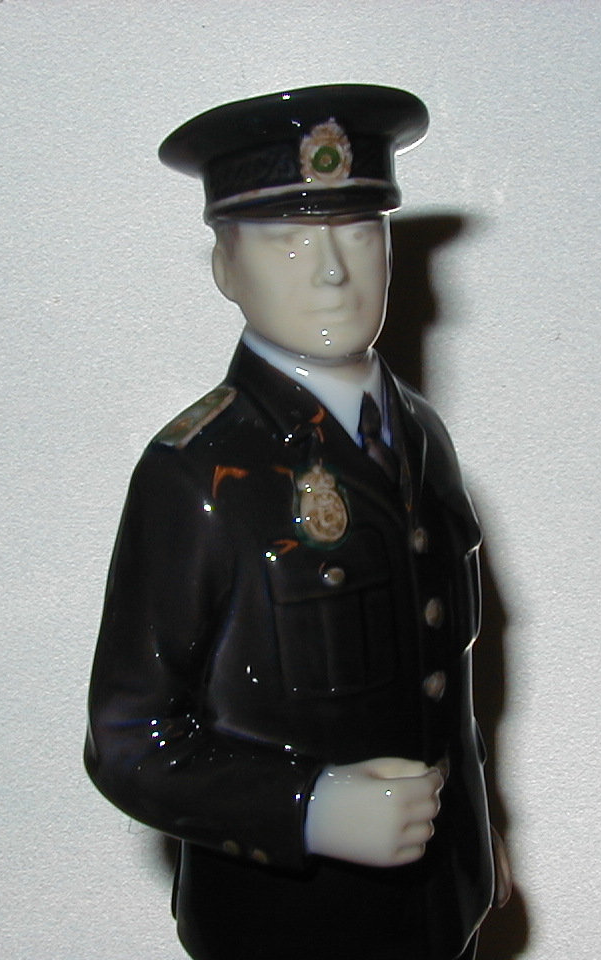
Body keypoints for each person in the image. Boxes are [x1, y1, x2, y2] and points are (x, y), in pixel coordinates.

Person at [86, 84, 502, 960]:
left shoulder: (421, 435)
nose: (333, 272)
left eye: (360, 233)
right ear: (225, 269)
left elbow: (443, 686)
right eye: (287, 240)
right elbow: (128, 741)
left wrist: (481, 842)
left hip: (441, 906)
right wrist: (309, 808)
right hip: (288, 926)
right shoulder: (198, 475)